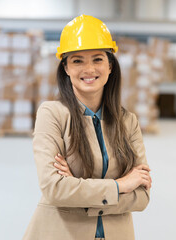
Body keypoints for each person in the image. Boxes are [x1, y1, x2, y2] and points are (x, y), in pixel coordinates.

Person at [23, 14, 151, 240]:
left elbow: (141, 196)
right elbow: (54, 189)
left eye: (98, 59)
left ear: (110, 66)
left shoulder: (127, 122)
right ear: (65, 68)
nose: (89, 69)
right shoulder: (52, 114)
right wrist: (120, 185)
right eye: (78, 60)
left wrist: (78, 190)